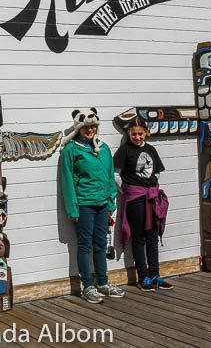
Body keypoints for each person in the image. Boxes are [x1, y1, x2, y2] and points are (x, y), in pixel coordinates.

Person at [59, 108, 125, 304]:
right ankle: (87, 285)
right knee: (84, 245)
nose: (90, 130)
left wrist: (111, 198)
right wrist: (73, 209)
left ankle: (102, 282)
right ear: (79, 128)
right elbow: (67, 181)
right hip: (84, 204)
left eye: (93, 126)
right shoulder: (71, 150)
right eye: (86, 127)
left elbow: (109, 173)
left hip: (103, 204)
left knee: (101, 244)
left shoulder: (103, 149)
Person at [113, 117, 173, 292]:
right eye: (134, 134)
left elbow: (157, 173)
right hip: (135, 199)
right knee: (138, 237)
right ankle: (143, 277)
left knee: (152, 236)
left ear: (146, 133)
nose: (137, 137)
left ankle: (155, 275)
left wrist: (151, 189)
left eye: (140, 134)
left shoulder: (151, 150)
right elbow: (116, 175)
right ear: (129, 134)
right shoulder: (124, 151)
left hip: (151, 198)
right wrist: (129, 191)